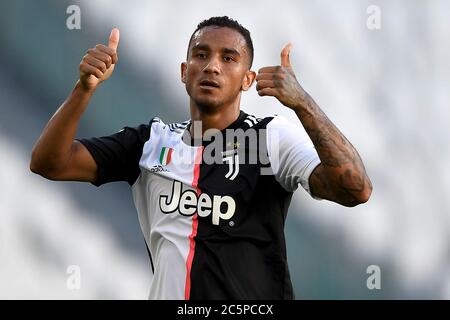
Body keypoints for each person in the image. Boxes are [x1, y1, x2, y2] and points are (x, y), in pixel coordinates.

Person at [30, 16, 372, 299]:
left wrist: (303, 104)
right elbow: (49, 162)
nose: (212, 66)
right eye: (201, 54)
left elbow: (355, 189)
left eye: (228, 58)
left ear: (248, 80)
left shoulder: (271, 138)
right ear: (184, 71)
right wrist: (84, 88)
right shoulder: (150, 142)